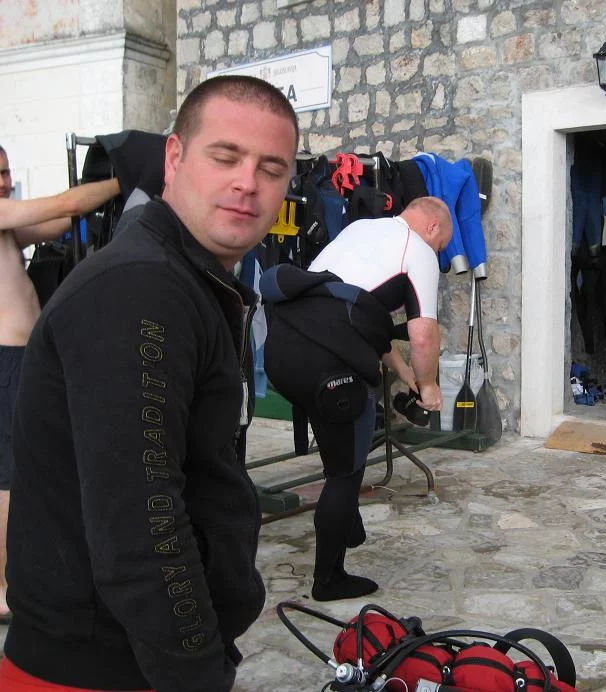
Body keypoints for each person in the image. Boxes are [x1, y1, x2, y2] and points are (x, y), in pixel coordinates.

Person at [1, 75, 298, 691]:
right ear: (174, 158)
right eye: (225, 157)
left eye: (272, 168)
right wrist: (197, 674)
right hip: (97, 669)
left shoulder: (185, 278)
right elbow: (142, 522)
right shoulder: (140, 288)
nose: (248, 182)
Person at [260, 196, 452, 601]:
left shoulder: (363, 228)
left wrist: (405, 373)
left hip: (283, 349)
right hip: (326, 363)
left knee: (346, 444)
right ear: (433, 227)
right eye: (441, 246)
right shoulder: (418, 250)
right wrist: (429, 386)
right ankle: (329, 580)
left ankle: (346, 522)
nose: (437, 253)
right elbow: (423, 335)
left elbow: (353, 313)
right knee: (345, 472)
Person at [0, 144, 121, 625]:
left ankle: (22, 573)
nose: (3, 181)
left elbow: (57, 223)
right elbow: (67, 204)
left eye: (6, 171)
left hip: (20, 359)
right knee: (8, 478)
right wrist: (126, 175)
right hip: (5, 361)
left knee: (24, 471)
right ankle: (4, 587)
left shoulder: (8, 226)